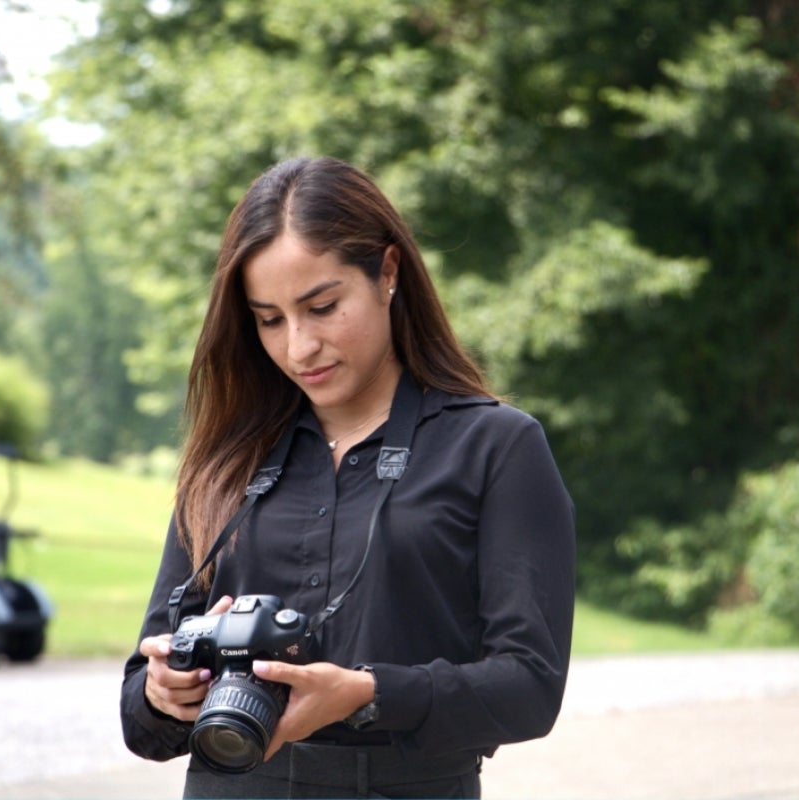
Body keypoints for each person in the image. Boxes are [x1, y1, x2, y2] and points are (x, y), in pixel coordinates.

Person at [120, 155, 576, 799]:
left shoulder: (497, 446)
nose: (299, 346)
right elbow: (139, 716)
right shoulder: (228, 456)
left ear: (388, 272)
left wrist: (368, 693)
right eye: (270, 319)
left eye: (323, 306)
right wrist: (162, 691)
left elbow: (530, 687)